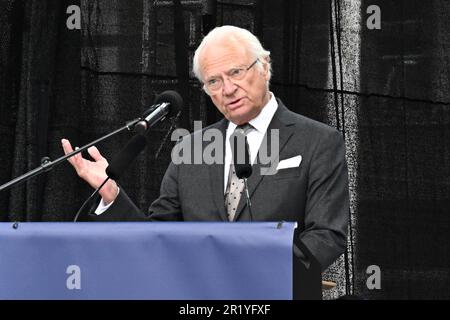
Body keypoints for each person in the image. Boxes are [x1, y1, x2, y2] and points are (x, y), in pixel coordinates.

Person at [61, 25, 349, 272]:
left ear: (265, 67)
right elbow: (159, 238)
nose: (228, 89)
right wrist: (113, 196)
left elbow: (326, 235)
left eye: (236, 72)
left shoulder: (319, 141)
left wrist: (257, 276)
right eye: (213, 81)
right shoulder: (190, 149)